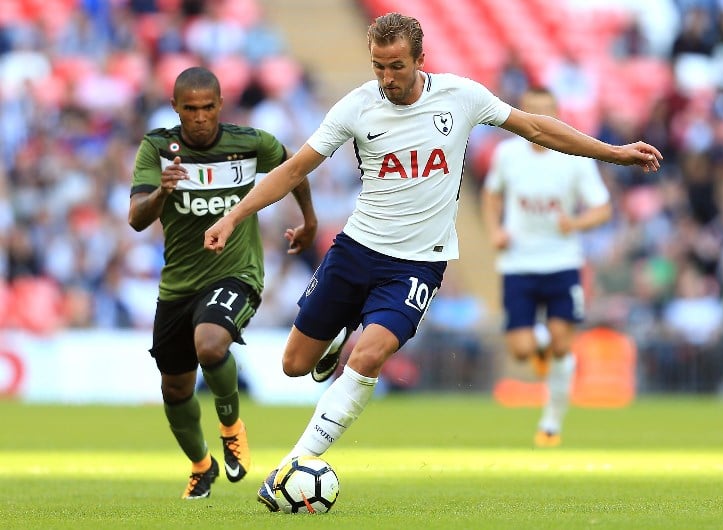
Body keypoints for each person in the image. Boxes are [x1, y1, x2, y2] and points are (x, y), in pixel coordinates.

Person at [202, 12, 661, 510]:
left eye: (396, 66)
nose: (386, 78)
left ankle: (292, 465)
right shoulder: (358, 107)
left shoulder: (460, 97)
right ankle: (337, 332)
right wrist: (234, 216)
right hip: (356, 251)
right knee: (294, 365)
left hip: (417, 264)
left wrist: (614, 153)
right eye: (378, 66)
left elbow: (535, 127)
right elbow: (294, 169)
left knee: (370, 356)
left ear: (421, 59)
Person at [128, 66, 317, 500]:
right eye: (190, 109)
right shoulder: (158, 147)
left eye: (207, 108)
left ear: (220, 106)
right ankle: (201, 465)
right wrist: (161, 192)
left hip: (236, 272)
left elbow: (295, 168)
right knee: (174, 388)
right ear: (176, 108)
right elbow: (137, 219)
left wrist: (309, 221)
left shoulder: (250, 144)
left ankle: (232, 427)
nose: (199, 117)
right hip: (177, 285)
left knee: (211, 345)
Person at [481, 87, 613, 448]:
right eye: (532, 111)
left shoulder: (575, 157)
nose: (539, 118)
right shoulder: (507, 154)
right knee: (521, 350)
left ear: (557, 114)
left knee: (562, 344)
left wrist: (575, 224)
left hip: (562, 263)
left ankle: (551, 423)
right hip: (518, 263)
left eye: (546, 112)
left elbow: (602, 208)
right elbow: (491, 194)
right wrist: (495, 231)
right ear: (523, 113)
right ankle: (538, 347)